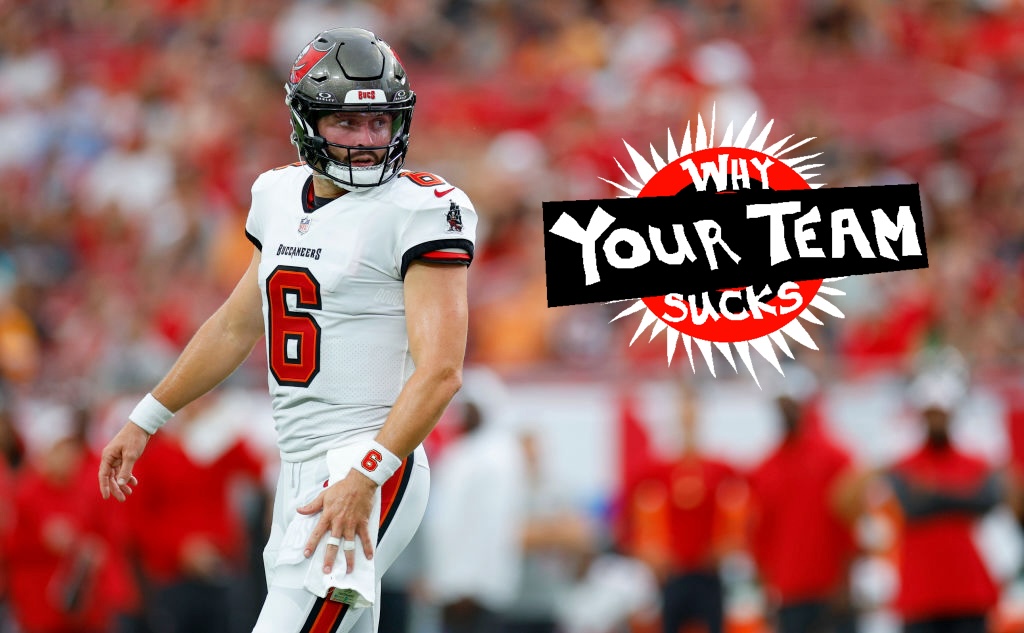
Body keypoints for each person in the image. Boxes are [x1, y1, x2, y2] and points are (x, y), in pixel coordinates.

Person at [97, 27, 476, 633]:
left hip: (369, 458)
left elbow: (441, 371)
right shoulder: (276, 196)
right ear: (305, 121)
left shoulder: (421, 210)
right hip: (298, 467)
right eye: (346, 124)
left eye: (380, 123)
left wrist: (367, 473)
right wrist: (147, 418)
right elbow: (234, 325)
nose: (367, 141)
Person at [885, 373, 1001, 633]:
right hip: (921, 594)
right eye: (931, 413)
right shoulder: (903, 465)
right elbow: (911, 507)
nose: (937, 419)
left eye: (941, 413)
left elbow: (988, 501)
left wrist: (932, 491)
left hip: (968, 590)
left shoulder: (975, 461)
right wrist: (962, 494)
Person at [748, 367, 859, 633]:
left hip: (832, 591)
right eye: (783, 405)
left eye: (793, 404)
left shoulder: (836, 459)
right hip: (789, 594)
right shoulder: (765, 468)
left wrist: (846, 580)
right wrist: (765, 587)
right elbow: (761, 534)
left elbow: (850, 523)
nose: (788, 412)